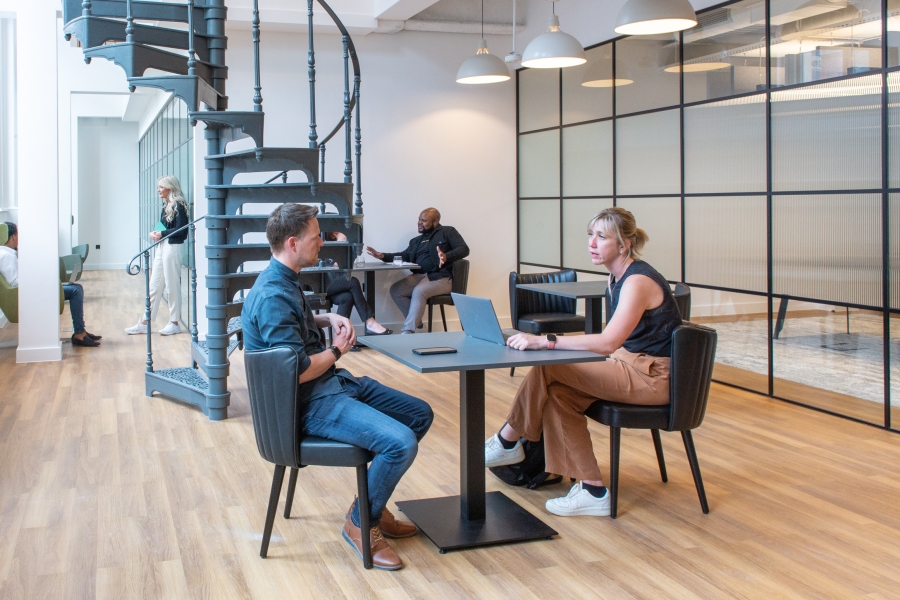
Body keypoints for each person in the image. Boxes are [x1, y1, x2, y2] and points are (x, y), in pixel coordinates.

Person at [242, 203, 433, 570]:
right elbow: (296, 371)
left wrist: (325, 315)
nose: (322, 244)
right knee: (401, 443)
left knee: (418, 414)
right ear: (294, 243)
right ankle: (362, 522)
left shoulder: (282, 279)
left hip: (332, 386)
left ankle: (369, 503)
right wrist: (337, 349)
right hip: (311, 403)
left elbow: (293, 323)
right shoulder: (272, 296)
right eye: (316, 238)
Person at [484, 207, 682, 518]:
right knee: (558, 396)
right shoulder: (616, 278)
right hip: (629, 365)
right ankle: (592, 490)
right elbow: (611, 345)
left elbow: (608, 342)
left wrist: (547, 341)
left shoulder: (637, 281)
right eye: (591, 235)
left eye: (602, 237)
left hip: (653, 377)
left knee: (549, 362)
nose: (592, 242)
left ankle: (508, 439)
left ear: (624, 244)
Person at [366, 208, 469, 334]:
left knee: (419, 291)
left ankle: (408, 332)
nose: (419, 222)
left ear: (435, 222)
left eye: (424, 220)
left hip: (441, 277)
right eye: (419, 219)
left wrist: (446, 256)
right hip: (420, 276)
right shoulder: (416, 241)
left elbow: (464, 249)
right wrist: (382, 256)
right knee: (396, 290)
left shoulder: (447, 231)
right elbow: (404, 255)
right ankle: (419, 326)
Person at [0, 222, 102, 347]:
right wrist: (40, 281)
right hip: (29, 294)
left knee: (76, 287)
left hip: (30, 291)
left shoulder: (8, 254)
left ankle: (81, 331)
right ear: (13, 236)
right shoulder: (6, 256)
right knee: (75, 290)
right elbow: (15, 283)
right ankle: (79, 334)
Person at [125, 175, 189, 336]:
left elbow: (183, 229)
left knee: (171, 286)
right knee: (154, 286)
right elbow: (163, 225)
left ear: (170, 188)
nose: (158, 190)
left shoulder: (179, 205)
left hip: (173, 247)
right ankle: (145, 322)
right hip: (163, 246)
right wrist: (155, 232)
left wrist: (162, 233)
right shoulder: (166, 204)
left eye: (161, 187)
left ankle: (174, 322)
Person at [323, 231, 391, 335]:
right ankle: (370, 322)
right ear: (334, 232)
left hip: (330, 285)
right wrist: (341, 241)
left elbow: (346, 264)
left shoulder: (333, 244)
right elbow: (336, 264)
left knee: (347, 296)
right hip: (319, 286)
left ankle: (343, 336)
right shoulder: (322, 242)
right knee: (353, 281)